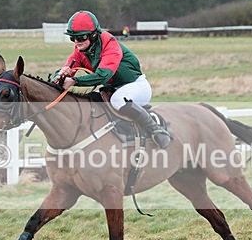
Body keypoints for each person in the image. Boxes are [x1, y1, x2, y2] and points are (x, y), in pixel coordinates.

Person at [54, 10, 171, 148]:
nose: (76, 42)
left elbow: (103, 75)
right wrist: (60, 75)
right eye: (72, 38)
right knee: (89, 100)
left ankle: (156, 129)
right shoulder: (81, 50)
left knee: (117, 100)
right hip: (112, 89)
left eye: (80, 38)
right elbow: (66, 68)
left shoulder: (110, 44)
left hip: (136, 86)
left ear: (93, 35)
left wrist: (75, 81)